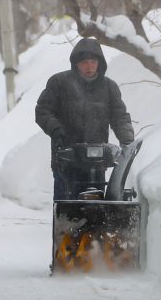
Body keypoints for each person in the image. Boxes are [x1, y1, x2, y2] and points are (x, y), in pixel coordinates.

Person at [35, 37, 134, 200]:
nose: (89, 66)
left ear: (100, 63)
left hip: (98, 160)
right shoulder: (59, 83)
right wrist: (56, 130)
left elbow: (120, 116)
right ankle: (65, 225)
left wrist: (127, 139)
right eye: (84, 62)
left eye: (93, 62)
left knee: (98, 203)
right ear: (76, 63)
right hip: (66, 158)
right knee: (66, 206)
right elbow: (42, 111)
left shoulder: (109, 87)